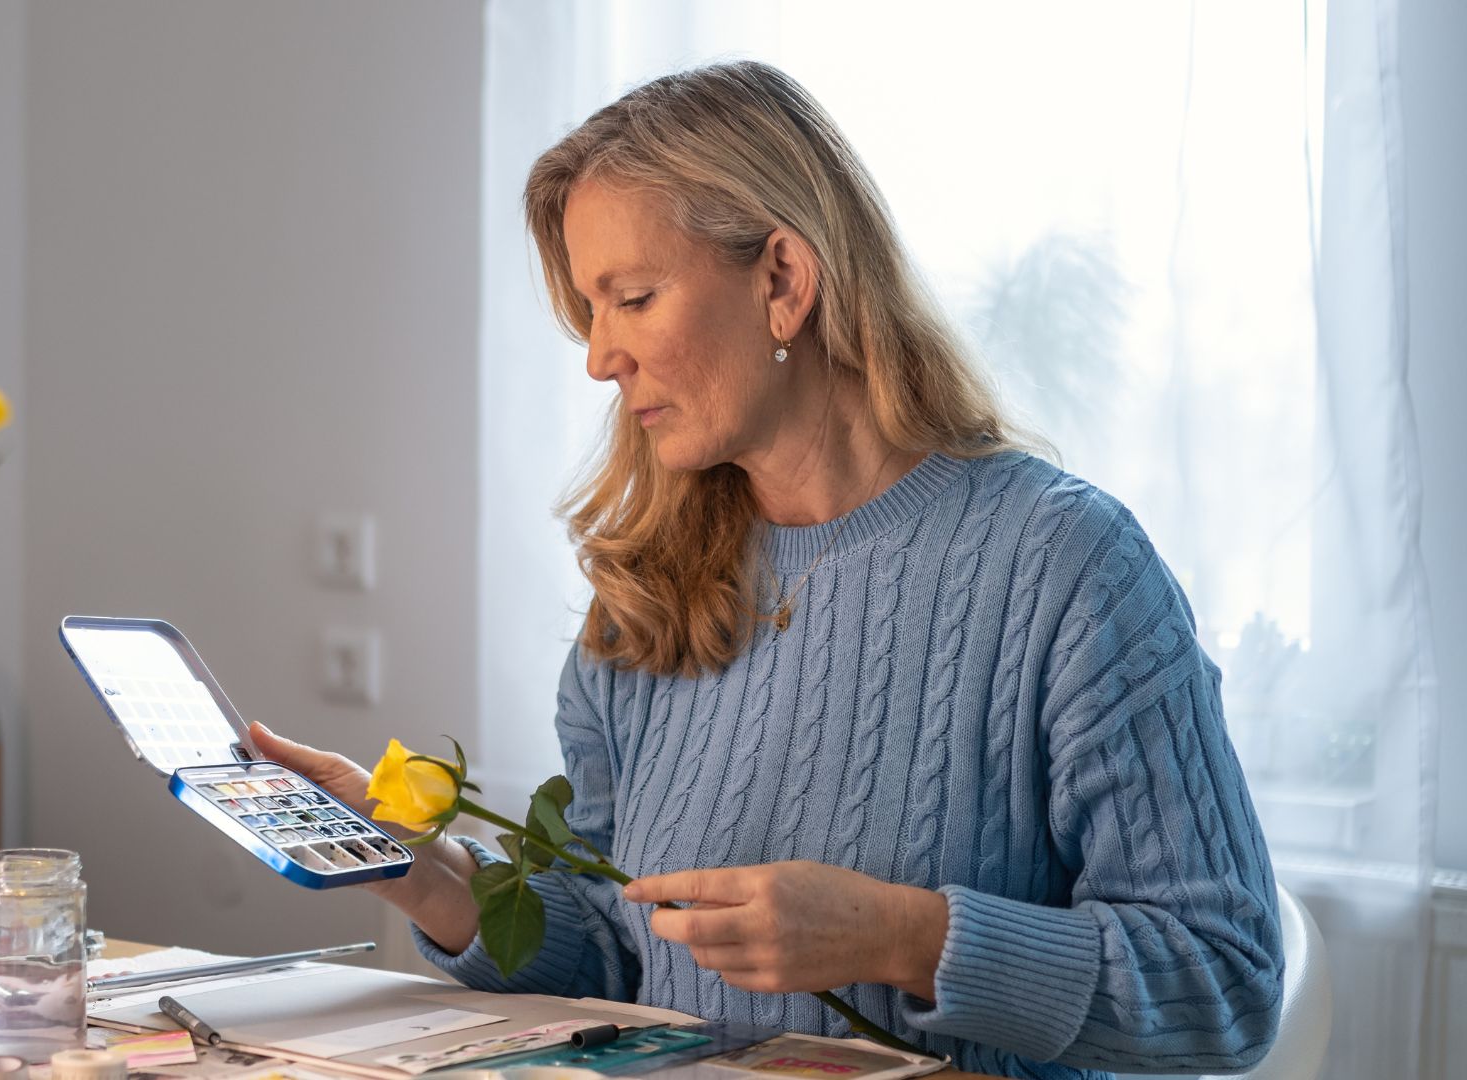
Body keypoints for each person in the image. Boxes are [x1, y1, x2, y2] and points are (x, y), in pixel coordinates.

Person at [251, 60, 1282, 1080]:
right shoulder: (646, 594)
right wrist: (424, 870)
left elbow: (1227, 987)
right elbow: (618, 947)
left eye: (634, 298)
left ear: (783, 281)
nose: (599, 358)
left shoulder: (1068, 568)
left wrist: (901, 935)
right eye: (589, 312)